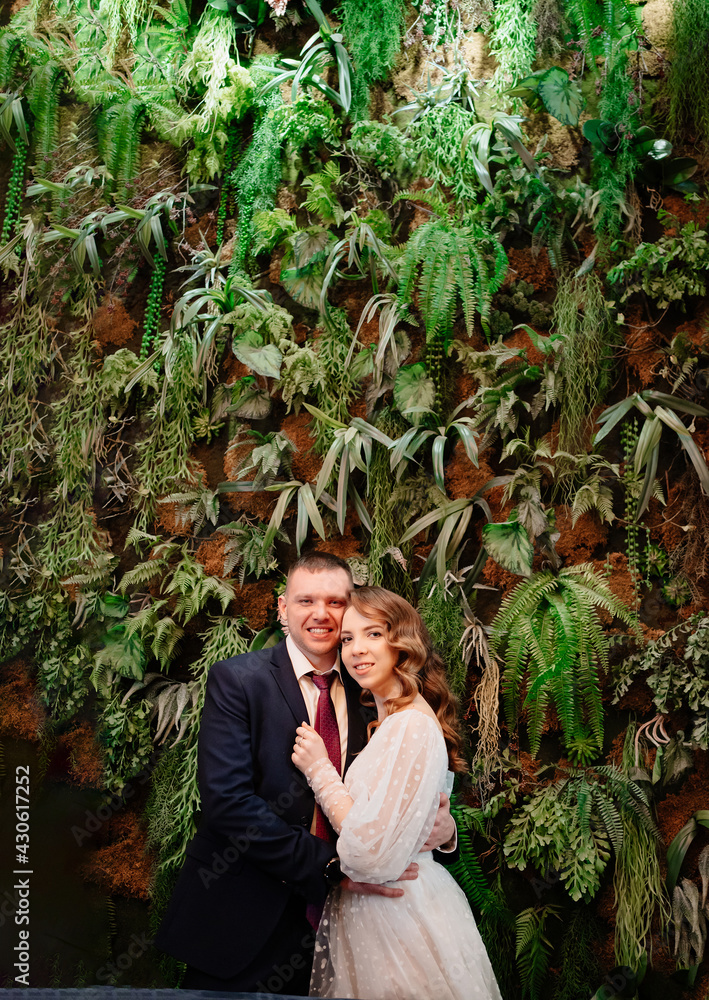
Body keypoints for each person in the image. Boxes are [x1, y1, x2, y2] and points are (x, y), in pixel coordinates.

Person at [155, 553, 456, 995]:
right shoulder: (239, 681)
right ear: (283, 607)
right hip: (245, 916)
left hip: (358, 926)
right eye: (305, 601)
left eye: (335, 602)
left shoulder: (373, 682)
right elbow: (228, 802)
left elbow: (412, 778)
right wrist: (330, 868)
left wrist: (443, 827)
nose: (321, 614)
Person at [292, 586, 503, 1000]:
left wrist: (319, 770)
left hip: (398, 916)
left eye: (373, 634)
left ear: (402, 643)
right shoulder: (389, 720)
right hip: (381, 914)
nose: (356, 649)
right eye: (347, 638)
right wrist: (441, 828)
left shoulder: (411, 725)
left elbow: (369, 855)